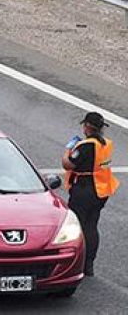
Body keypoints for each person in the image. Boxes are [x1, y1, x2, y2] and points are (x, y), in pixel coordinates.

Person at [62, 112, 119, 276]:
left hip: (84, 191)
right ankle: (89, 265)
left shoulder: (86, 146)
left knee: (77, 227)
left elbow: (67, 164)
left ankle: (75, 264)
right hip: (100, 191)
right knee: (91, 226)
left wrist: (68, 150)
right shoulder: (106, 144)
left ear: (87, 126)